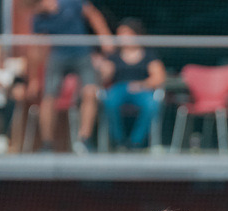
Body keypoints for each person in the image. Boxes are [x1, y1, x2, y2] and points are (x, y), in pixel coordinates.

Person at [28, 0, 113, 153]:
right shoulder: (38, 17)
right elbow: (36, 49)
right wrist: (34, 78)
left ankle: (84, 140)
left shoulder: (71, 3)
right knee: (48, 97)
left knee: (90, 93)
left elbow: (93, 14)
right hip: (58, 57)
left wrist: (104, 35)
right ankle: (47, 144)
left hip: (82, 56)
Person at [97, 18, 165, 151]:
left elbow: (159, 77)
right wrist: (102, 68)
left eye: (126, 33)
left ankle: (136, 142)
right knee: (109, 101)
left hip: (142, 89)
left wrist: (142, 85)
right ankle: (119, 141)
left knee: (152, 104)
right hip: (119, 89)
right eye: (120, 34)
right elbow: (103, 78)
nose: (122, 38)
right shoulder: (113, 56)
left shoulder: (149, 55)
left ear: (137, 35)